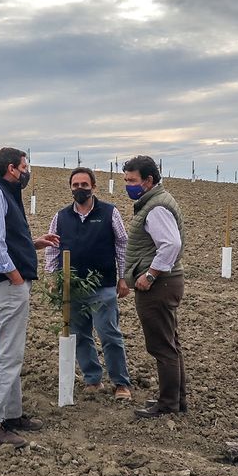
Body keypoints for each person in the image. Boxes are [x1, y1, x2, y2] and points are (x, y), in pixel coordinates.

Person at [0, 146, 61, 447]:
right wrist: (15, 276)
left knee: (13, 353)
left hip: (11, 285)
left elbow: (7, 238)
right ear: (12, 168)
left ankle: (12, 415)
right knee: (7, 355)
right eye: (25, 166)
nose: (28, 171)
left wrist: (34, 243)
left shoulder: (6, 193)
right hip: (7, 287)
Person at [43, 167, 132, 401]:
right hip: (73, 288)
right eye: (75, 185)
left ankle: (121, 383)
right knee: (80, 335)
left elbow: (122, 246)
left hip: (103, 285)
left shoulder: (110, 213)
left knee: (109, 333)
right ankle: (93, 379)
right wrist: (54, 278)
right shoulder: (61, 217)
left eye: (84, 184)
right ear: (70, 187)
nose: (80, 188)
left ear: (93, 186)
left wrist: (123, 277)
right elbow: (53, 248)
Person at [120, 155, 187, 418]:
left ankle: (168, 403)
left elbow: (171, 244)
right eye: (125, 180)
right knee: (170, 343)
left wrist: (149, 275)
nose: (128, 185)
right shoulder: (156, 201)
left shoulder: (156, 208)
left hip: (159, 286)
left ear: (148, 180)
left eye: (132, 180)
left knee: (161, 346)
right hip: (166, 282)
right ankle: (176, 400)